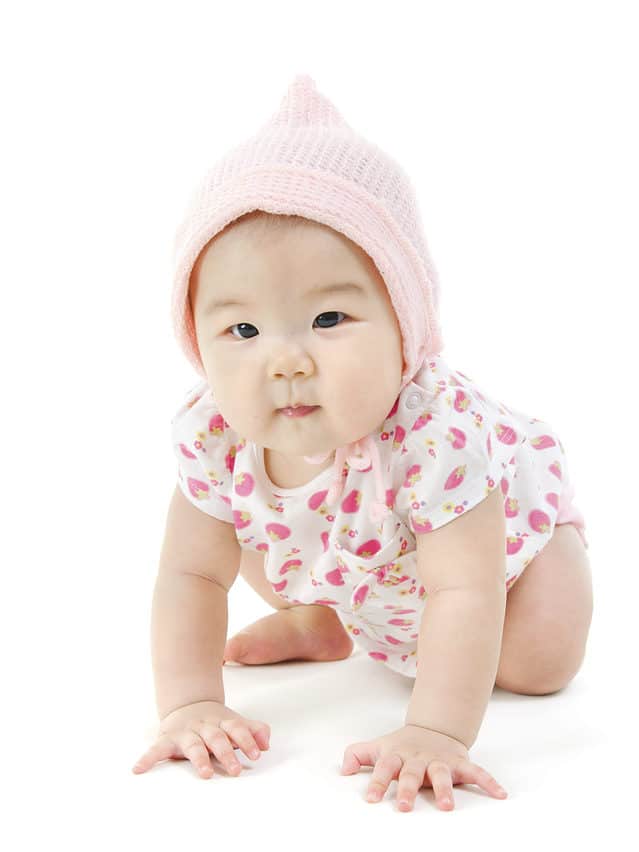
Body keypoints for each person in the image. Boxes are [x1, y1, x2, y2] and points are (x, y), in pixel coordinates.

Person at [132, 74, 593, 812]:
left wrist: (436, 730)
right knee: (233, 523)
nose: (285, 361)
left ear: (404, 320)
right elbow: (190, 577)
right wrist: (189, 704)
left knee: (538, 664)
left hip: (500, 568)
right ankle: (321, 621)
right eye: (242, 331)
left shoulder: (436, 436)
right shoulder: (213, 430)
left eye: (328, 319)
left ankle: (559, 556)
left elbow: (461, 591)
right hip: (362, 565)